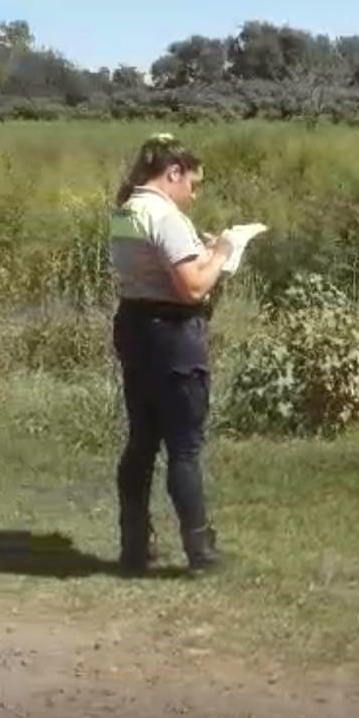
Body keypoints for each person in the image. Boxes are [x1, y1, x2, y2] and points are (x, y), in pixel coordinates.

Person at [109, 133, 232, 575]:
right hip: (173, 336)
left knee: (142, 440)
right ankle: (201, 551)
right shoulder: (165, 215)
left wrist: (197, 252)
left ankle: (135, 545)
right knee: (184, 446)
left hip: (135, 327)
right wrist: (221, 252)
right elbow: (194, 286)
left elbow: (151, 266)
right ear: (173, 173)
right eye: (192, 184)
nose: (193, 194)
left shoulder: (125, 210)